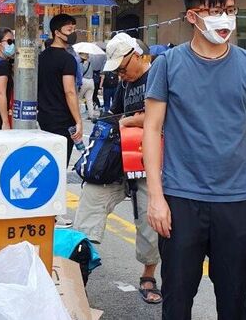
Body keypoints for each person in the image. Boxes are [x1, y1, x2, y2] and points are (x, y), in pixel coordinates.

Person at [142, 0, 246, 319]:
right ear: (192, 16)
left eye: (231, 11)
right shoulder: (168, 64)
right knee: (177, 299)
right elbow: (152, 129)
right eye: (215, 12)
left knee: (233, 299)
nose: (225, 19)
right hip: (180, 200)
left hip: (235, 201)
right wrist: (155, 197)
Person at [74, 32, 162, 305]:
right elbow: (117, 116)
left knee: (150, 223)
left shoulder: (160, 74)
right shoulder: (124, 84)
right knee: (89, 207)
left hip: (151, 165)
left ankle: (148, 275)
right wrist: (129, 121)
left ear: (136, 56)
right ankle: (75, 275)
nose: (121, 75)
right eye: (117, 71)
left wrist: (130, 121)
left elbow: (163, 115)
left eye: (123, 68)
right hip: (117, 161)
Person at [38, 13, 82, 164]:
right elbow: (70, 91)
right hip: (62, 120)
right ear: (56, 33)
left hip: (43, 118)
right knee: (59, 164)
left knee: (46, 163)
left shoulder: (41, 57)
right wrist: (78, 121)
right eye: (69, 30)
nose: (73, 34)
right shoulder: (68, 60)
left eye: (74, 30)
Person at [78, 52, 96, 120]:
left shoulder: (81, 64)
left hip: (84, 80)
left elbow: (80, 73)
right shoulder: (91, 63)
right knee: (89, 99)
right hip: (91, 81)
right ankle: (91, 115)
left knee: (78, 98)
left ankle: (78, 115)